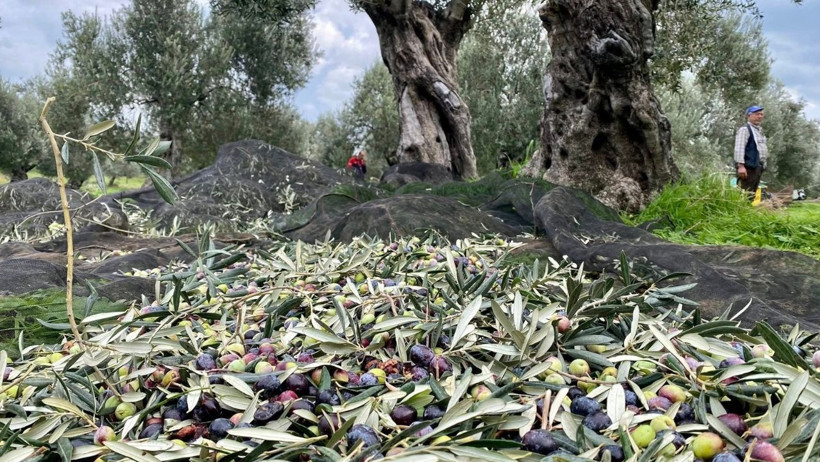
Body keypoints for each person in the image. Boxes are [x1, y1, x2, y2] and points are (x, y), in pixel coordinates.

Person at [733, 105, 769, 197]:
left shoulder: (759, 131)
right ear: (749, 116)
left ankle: (747, 210)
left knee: (751, 194)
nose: (760, 116)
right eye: (757, 114)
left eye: (761, 114)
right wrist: (741, 166)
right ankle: (740, 211)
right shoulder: (745, 130)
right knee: (744, 194)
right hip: (748, 167)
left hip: (757, 167)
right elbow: (739, 148)